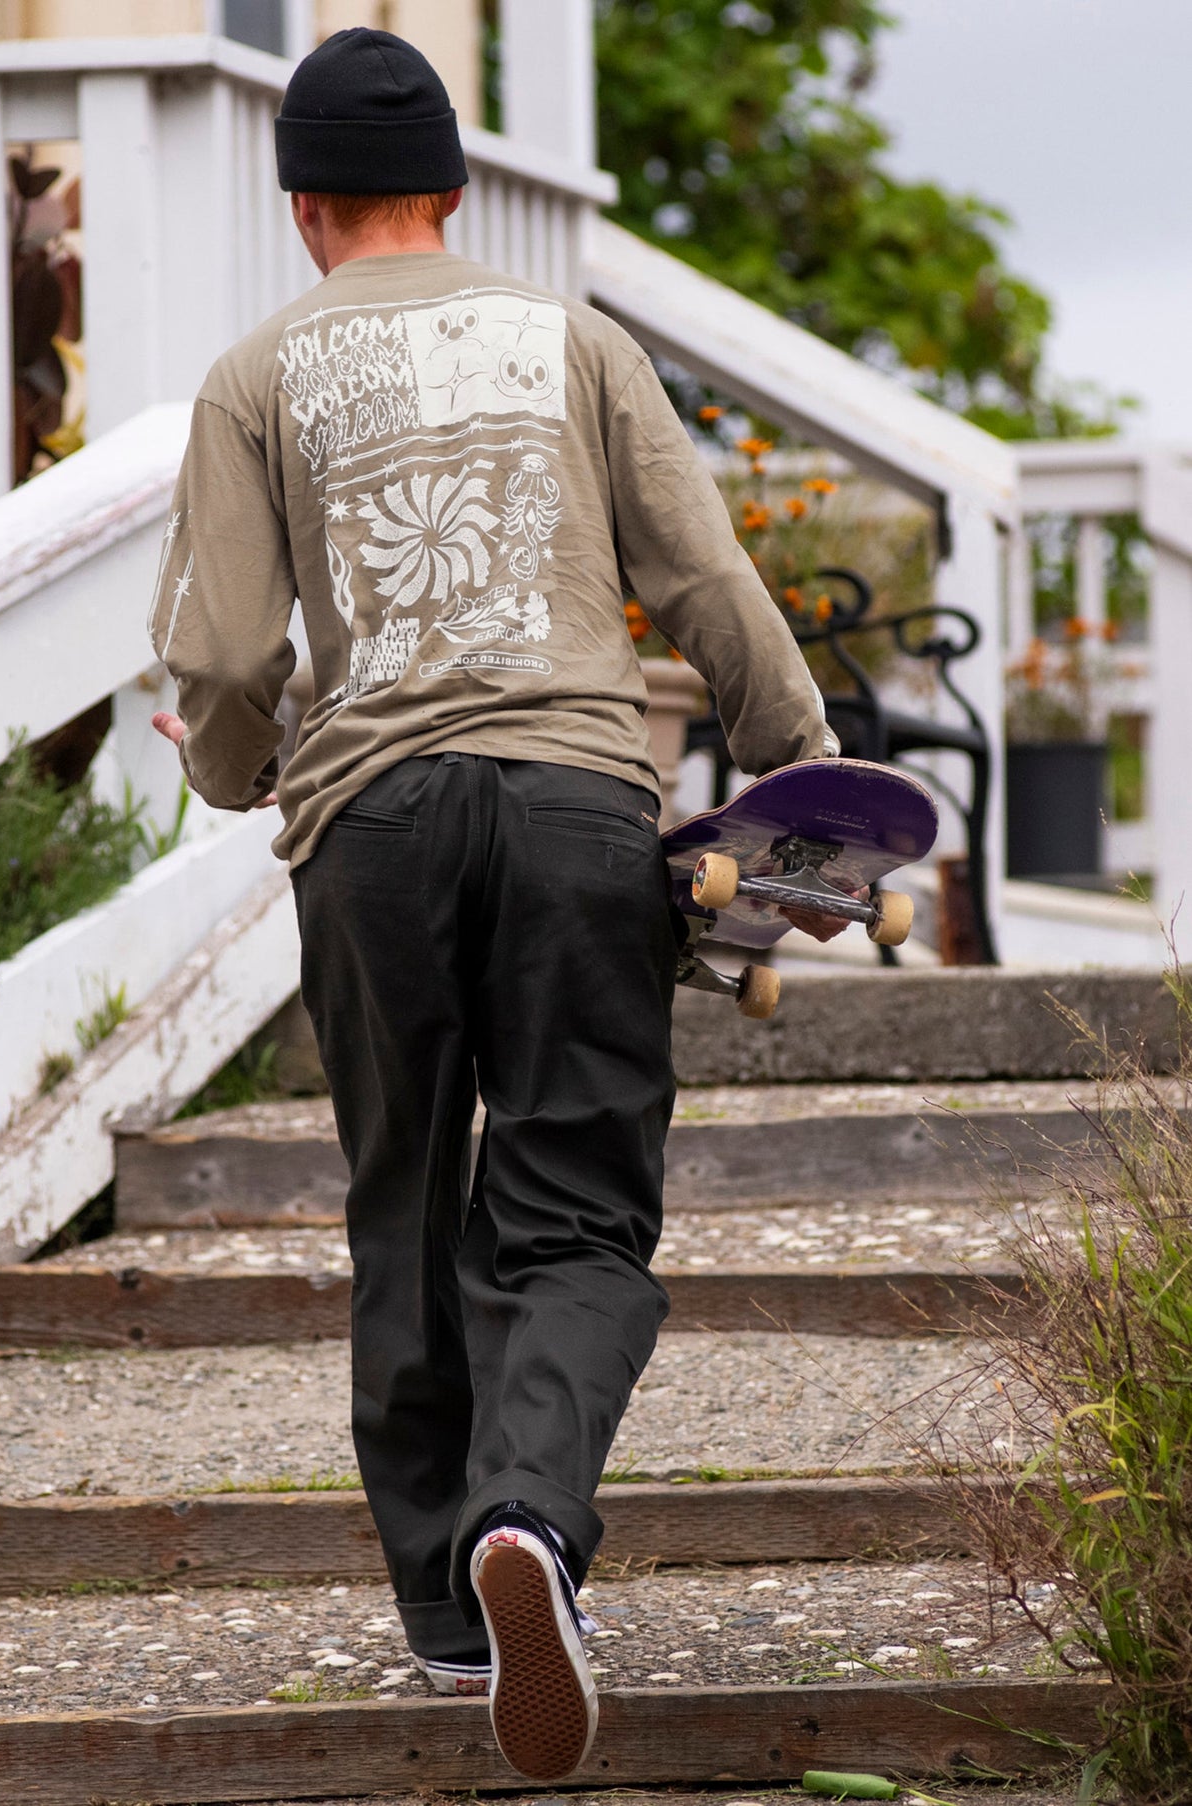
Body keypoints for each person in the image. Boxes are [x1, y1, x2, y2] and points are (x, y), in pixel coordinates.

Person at [148, 26, 839, 1783]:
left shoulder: (252, 376)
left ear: (300, 204)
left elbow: (220, 657)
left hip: (372, 829)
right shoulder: (574, 340)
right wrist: (804, 790)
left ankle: (450, 1619)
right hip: (573, 811)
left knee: (403, 1202)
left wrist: (237, 768)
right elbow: (703, 574)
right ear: (453, 191)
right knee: (576, 1210)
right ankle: (525, 1517)